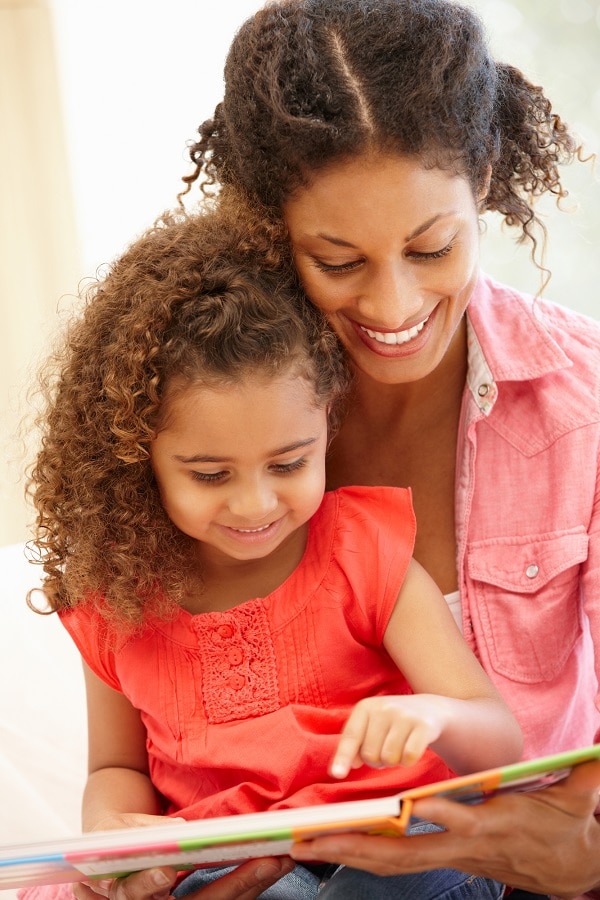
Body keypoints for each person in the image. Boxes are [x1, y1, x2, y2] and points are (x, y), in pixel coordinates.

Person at [176, 0, 600, 897]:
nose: (395, 306)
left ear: (482, 176)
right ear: (270, 224)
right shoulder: (214, 413)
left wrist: (586, 862)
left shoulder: (583, 404)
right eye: (337, 261)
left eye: (433, 246)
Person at [24, 195, 521, 900]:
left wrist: (434, 716)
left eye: (289, 464)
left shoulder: (364, 553)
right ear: (139, 458)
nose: (256, 503)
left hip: (394, 845)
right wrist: (110, 830)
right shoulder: (118, 596)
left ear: (327, 427)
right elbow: (114, 769)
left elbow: (499, 738)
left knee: (417, 865)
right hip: (235, 864)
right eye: (209, 475)